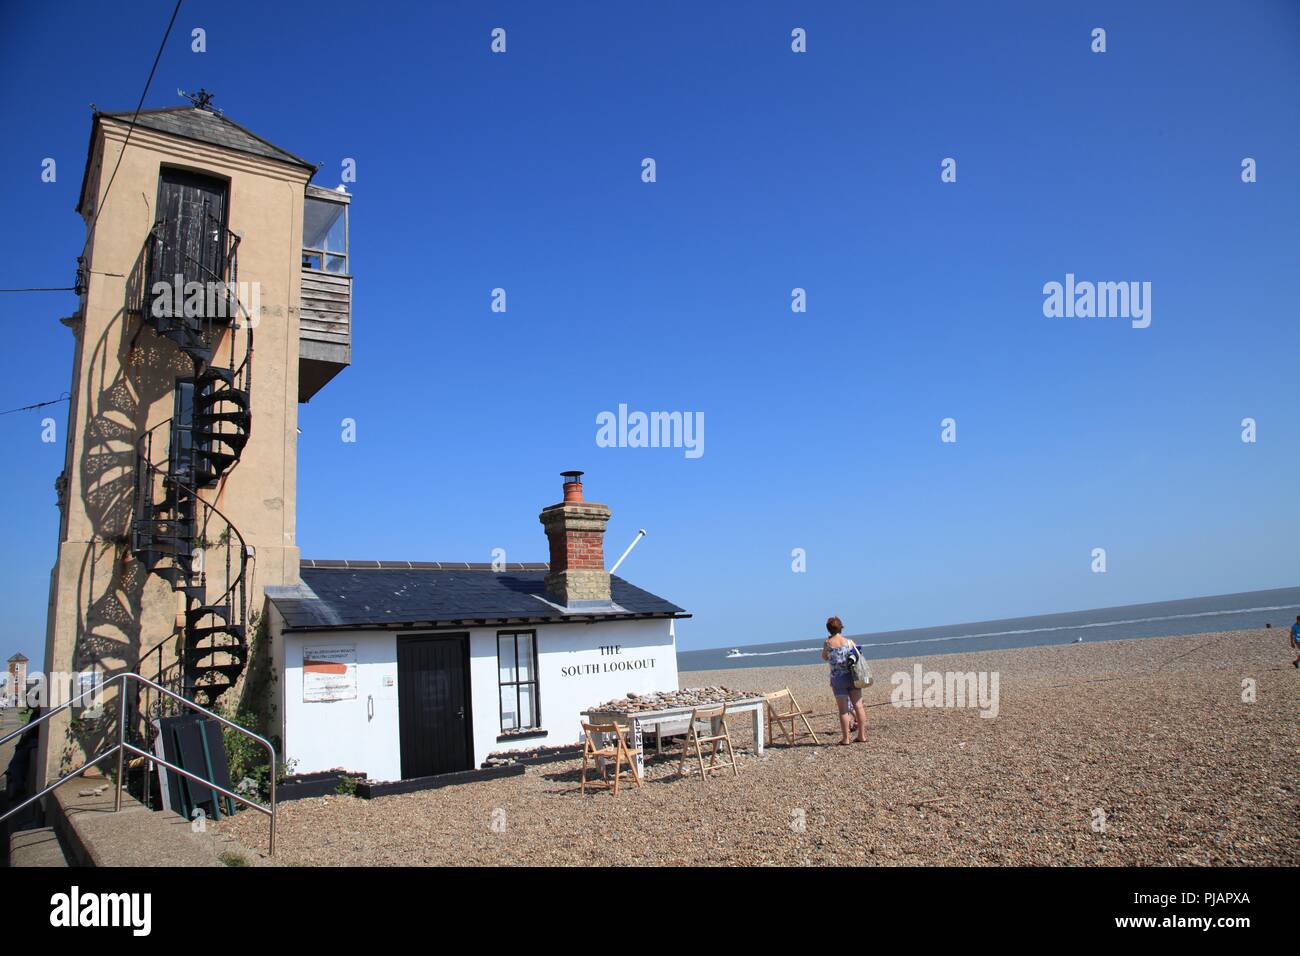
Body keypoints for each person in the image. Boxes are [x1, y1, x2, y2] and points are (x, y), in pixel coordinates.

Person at [822, 616, 867, 745]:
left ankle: (846, 738)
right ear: (841, 627)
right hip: (852, 677)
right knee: (858, 706)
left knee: (843, 710)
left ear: (829, 629)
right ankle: (862, 735)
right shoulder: (849, 642)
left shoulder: (828, 643)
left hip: (838, 679)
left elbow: (824, 657)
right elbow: (858, 655)